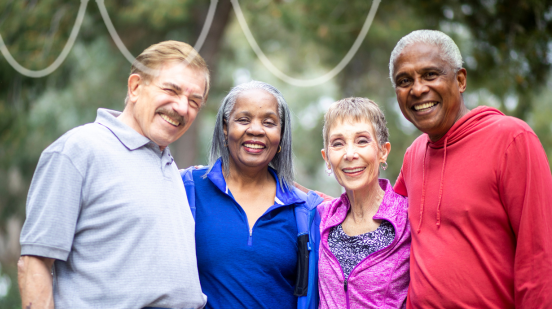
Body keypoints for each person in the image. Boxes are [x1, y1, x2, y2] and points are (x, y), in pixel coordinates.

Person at [18, 41, 209, 309]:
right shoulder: (79, 150)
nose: (182, 107)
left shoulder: (169, 168)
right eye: (171, 90)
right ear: (135, 87)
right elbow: (34, 263)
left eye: (194, 101)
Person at [390, 30, 552, 308]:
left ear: (461, 80)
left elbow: (540, 259)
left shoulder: (512, 140)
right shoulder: (414, 154)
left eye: (430, 75)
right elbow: (379, 221)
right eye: (404, 81)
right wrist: (307, 198)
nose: (417, 89)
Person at [183, 81, 322, 309]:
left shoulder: (304, 210)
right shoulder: (189, 190)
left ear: (281, 135)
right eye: (243, 119)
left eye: (269, 122)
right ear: (225, 128)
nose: (256, 130)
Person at [317, 97, 410, 308]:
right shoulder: (320, 218)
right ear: (327, 158)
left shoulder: (408, 219)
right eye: (338, 143)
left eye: (362, 140)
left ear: (383, 151)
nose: (350, 154)